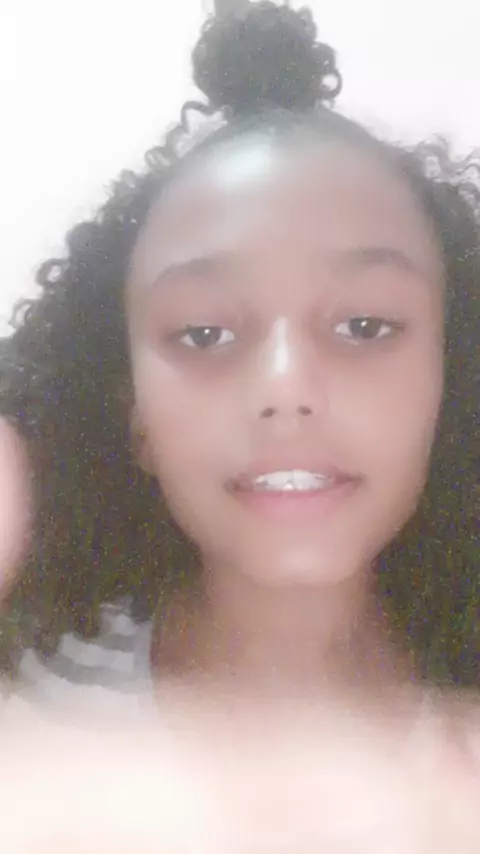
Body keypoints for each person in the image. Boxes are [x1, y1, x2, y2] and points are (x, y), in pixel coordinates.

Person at [0, 0, 479, 847]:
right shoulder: (26, 720)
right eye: (204, 334)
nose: (285, 388)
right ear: (132, 413)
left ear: (453, 379)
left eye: (365, 325)